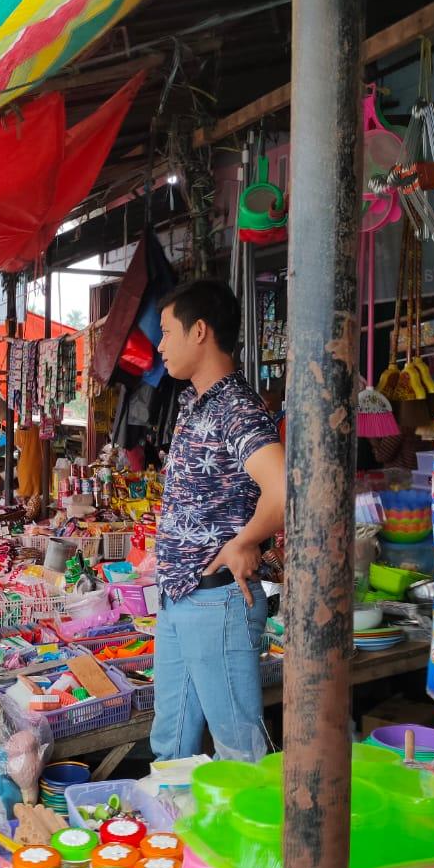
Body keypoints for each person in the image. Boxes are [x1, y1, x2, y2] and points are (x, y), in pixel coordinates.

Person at [150, 282, 286, 763]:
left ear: (200, 331)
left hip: (219, 600)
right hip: (180, 596)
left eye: (167, 332)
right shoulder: (196, 402)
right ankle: (173, 838)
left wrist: (245, 540)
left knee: (240, 750)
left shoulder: (237, 409)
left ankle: (259, 839)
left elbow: (283, 487)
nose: (160, 345)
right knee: (170, 745)